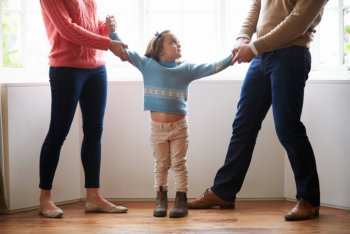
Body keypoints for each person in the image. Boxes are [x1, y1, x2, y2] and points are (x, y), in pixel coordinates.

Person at [188, 0, 328, 221]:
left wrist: (253, 47)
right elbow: (256, 6)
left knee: (288, 128)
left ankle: (309, 199)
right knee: (244, 124)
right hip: (262, 56)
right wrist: (243, 37)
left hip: (290, 55)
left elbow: (297, 22)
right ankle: (224, 191)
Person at [106, 16, 232, 218]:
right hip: (157, 129)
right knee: (161, 164)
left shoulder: (186, 69)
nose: (178, 44)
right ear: (159, 50)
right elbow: (123, 52)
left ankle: (181, 200)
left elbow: (212, 67)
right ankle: (161, 199)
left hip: (179, 127)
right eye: (172, 41)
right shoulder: (146, 64)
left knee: (179, 163)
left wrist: (232, 58)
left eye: (178, 41)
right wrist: (112, 31)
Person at [39, 0, 129, 218]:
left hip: (96, 68)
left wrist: (107, 28)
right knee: (58, 132)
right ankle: (45, 199)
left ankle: (94, 197)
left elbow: (91, 23)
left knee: (94, 132)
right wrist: (109, 44)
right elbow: (67, 29)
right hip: (66, 68)